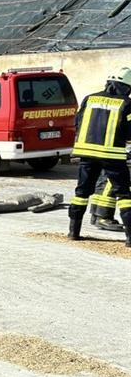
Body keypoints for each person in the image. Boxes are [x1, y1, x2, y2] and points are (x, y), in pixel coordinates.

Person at [68, 66, 131, 246]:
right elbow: (129, 132)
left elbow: (77, 122)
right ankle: (130, 239)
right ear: (126, 87)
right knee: (124, 195)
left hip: (86, 153)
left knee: (81, 193)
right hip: (112, 155)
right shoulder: (126, 103)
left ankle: (73, 232)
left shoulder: (90, 98)